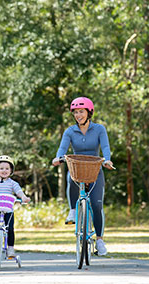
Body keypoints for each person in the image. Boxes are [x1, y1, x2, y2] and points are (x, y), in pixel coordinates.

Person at [52, 97, 114, 256]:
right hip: (77, 169)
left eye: (81, 111)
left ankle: (99, 240)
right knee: (70, 176)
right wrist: (58, 157)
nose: (78, 115)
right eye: (76, 112)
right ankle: (73, 209)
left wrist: (107, 160)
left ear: (89, 112)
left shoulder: (99, 129)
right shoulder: (70, 131)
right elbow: (63, 148)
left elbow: (105, 147)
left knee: (96, 204)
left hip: (95, 171)